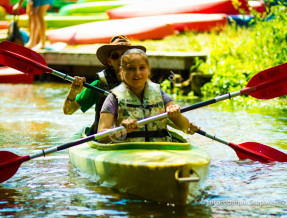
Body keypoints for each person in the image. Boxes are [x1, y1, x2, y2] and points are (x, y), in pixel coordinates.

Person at [98, 48, 199, 143]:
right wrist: (120, 130)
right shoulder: (113, 98)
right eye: (131, 69)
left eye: (142, 68)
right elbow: (101, 137)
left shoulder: (160, 93)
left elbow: (185, 127)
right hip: (127, 150)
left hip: (160, 149)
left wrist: (176, 115)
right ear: (122, 71)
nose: (137, 73)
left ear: (148, 70)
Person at [63, 35, 146, 134]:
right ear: (109, 61)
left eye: (125, 54)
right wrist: (74, 91)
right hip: (107, 139)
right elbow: (68, 110)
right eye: (115, 56)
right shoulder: (100, 84)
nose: (120, 59)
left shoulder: (144, 83)